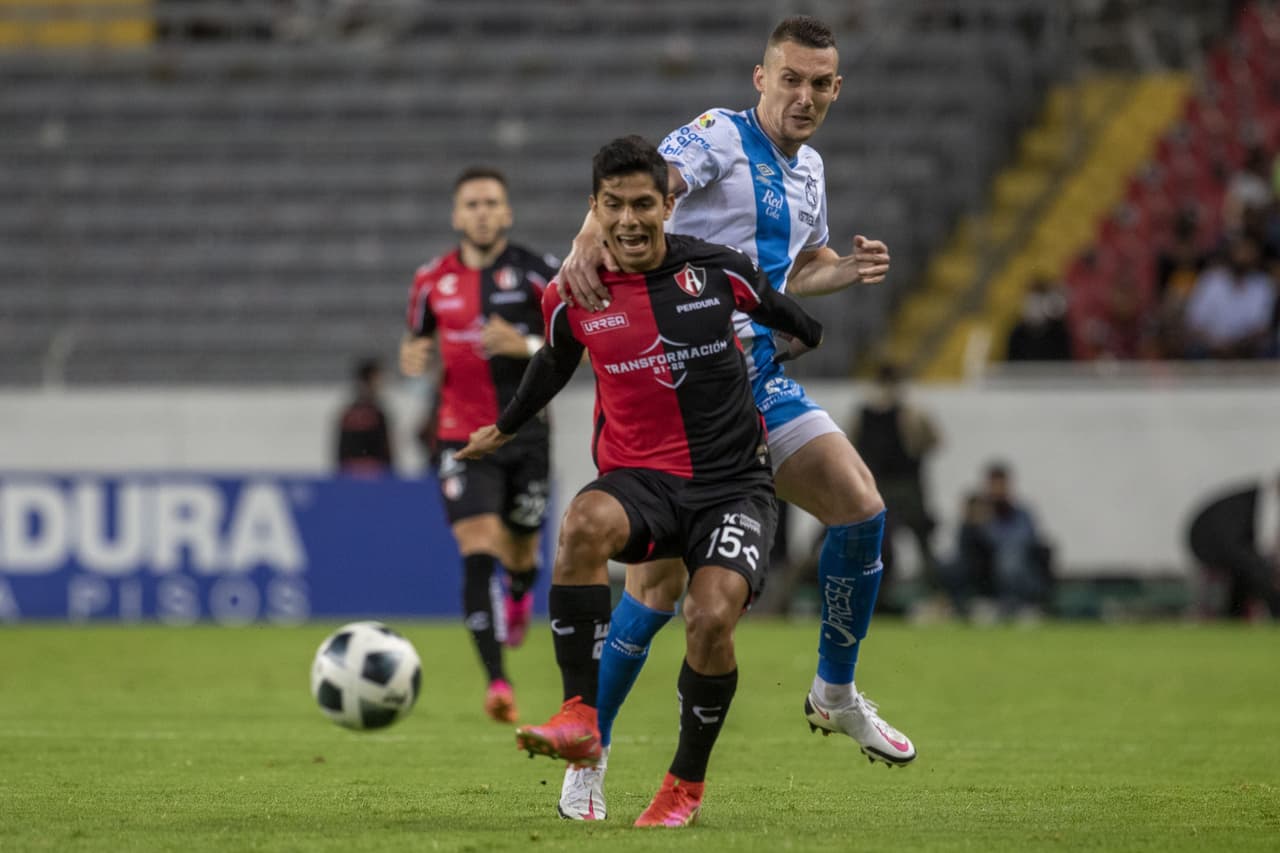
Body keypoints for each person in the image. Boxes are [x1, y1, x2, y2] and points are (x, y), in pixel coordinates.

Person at [554, 15, 914, 821]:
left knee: (861, 506)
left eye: (820, 84)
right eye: (790, 79)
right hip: (682, 386)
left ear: (836, 89)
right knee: (653, 594)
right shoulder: (718, 135)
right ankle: (591, 753)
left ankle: (835, 689)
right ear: (761, 79)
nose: (805, 96)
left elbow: (794, 265)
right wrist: (585, 245)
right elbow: (642, 187)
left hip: (761, 374)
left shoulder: (810, 168)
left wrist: (845, 270)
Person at [456, 135, 824, 827]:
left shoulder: (719, 272)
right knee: (582, 523)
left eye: (644, 204)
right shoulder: (577, 294)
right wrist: (503, 428)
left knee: (710, 619)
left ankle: (684, 782)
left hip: (731, 485)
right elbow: (553, 365)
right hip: (642, 481)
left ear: (668, 204)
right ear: (594, 209)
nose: (629, 220)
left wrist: (778, 349)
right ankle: (580, 713)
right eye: (614, 205)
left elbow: (797, 321)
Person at [400, 166, 558, 724]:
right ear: (456, 215)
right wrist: (412, 356)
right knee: (477, 549)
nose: (483, 212)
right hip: (460, 437)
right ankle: (497, 682)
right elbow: (417, 338)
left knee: (521, 556)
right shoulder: (430, 280)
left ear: (507, 212)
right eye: (472, 204)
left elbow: (579, 341)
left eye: (492, 203)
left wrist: (527, 343)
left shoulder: (540, 274)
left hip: (527, 433)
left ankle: (517, 595)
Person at [848, 360, 942, 610]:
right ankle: (886, 597)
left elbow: (850, 448)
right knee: (899, 543)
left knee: (906, 541)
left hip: (891, 486)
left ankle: (925, 594)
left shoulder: (893, 412)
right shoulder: (906, 412)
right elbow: (934, 441)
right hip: (893, 486)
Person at [1187, 472, 1280, 619]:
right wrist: (1268, 573)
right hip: (1215, 551)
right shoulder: (1248, 505)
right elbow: (1238, 548)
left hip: (1235, 556)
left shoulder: (1256, 503)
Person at [334, 356, 395, 475]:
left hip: (351, 476)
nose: (381, 383)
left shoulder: (349, 412)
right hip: (376, 476)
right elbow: (386, 449)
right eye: (378, 378)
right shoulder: (376, 413)